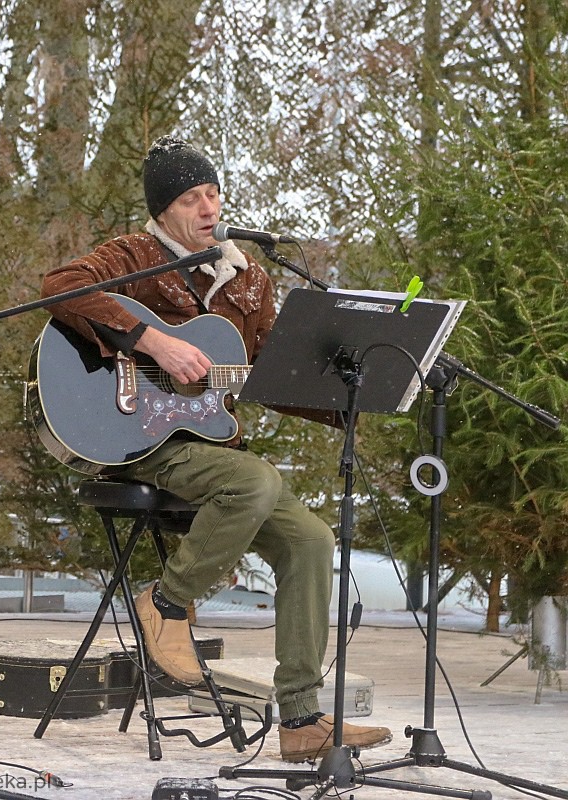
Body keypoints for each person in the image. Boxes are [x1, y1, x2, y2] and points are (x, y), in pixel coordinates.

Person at [40, 136, 392, 763]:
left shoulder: (249, 278)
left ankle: (301, 720)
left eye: (212, 193)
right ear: (163, 210)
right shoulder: (133, 255)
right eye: (189, 197)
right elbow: (59, 286)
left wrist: (356, 393)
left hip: (207, 445)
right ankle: (167, 602)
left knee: (311, 540)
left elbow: (271, 373)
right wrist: (154, 343)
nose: (207, 207)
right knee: (253, 481)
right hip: (140, 439)